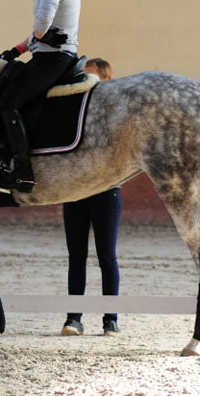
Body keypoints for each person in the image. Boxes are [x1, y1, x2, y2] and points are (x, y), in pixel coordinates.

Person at [0, 0, 93, 193]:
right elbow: (41, 35)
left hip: (52, 59)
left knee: (8, 104)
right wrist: (16, 51)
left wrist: (38, 36)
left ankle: (21, 172)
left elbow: (42, 24)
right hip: (59, 55)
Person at [61, 58, 122, 337]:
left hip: (105, 191)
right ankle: (74, 318)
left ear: (106, 82)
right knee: (76, 257)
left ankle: (111, 319)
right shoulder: (71, 111)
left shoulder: (116, 114)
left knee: (106, 256)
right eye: (81, 79)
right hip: (74, 191)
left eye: (91, 79)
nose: (84, 85)